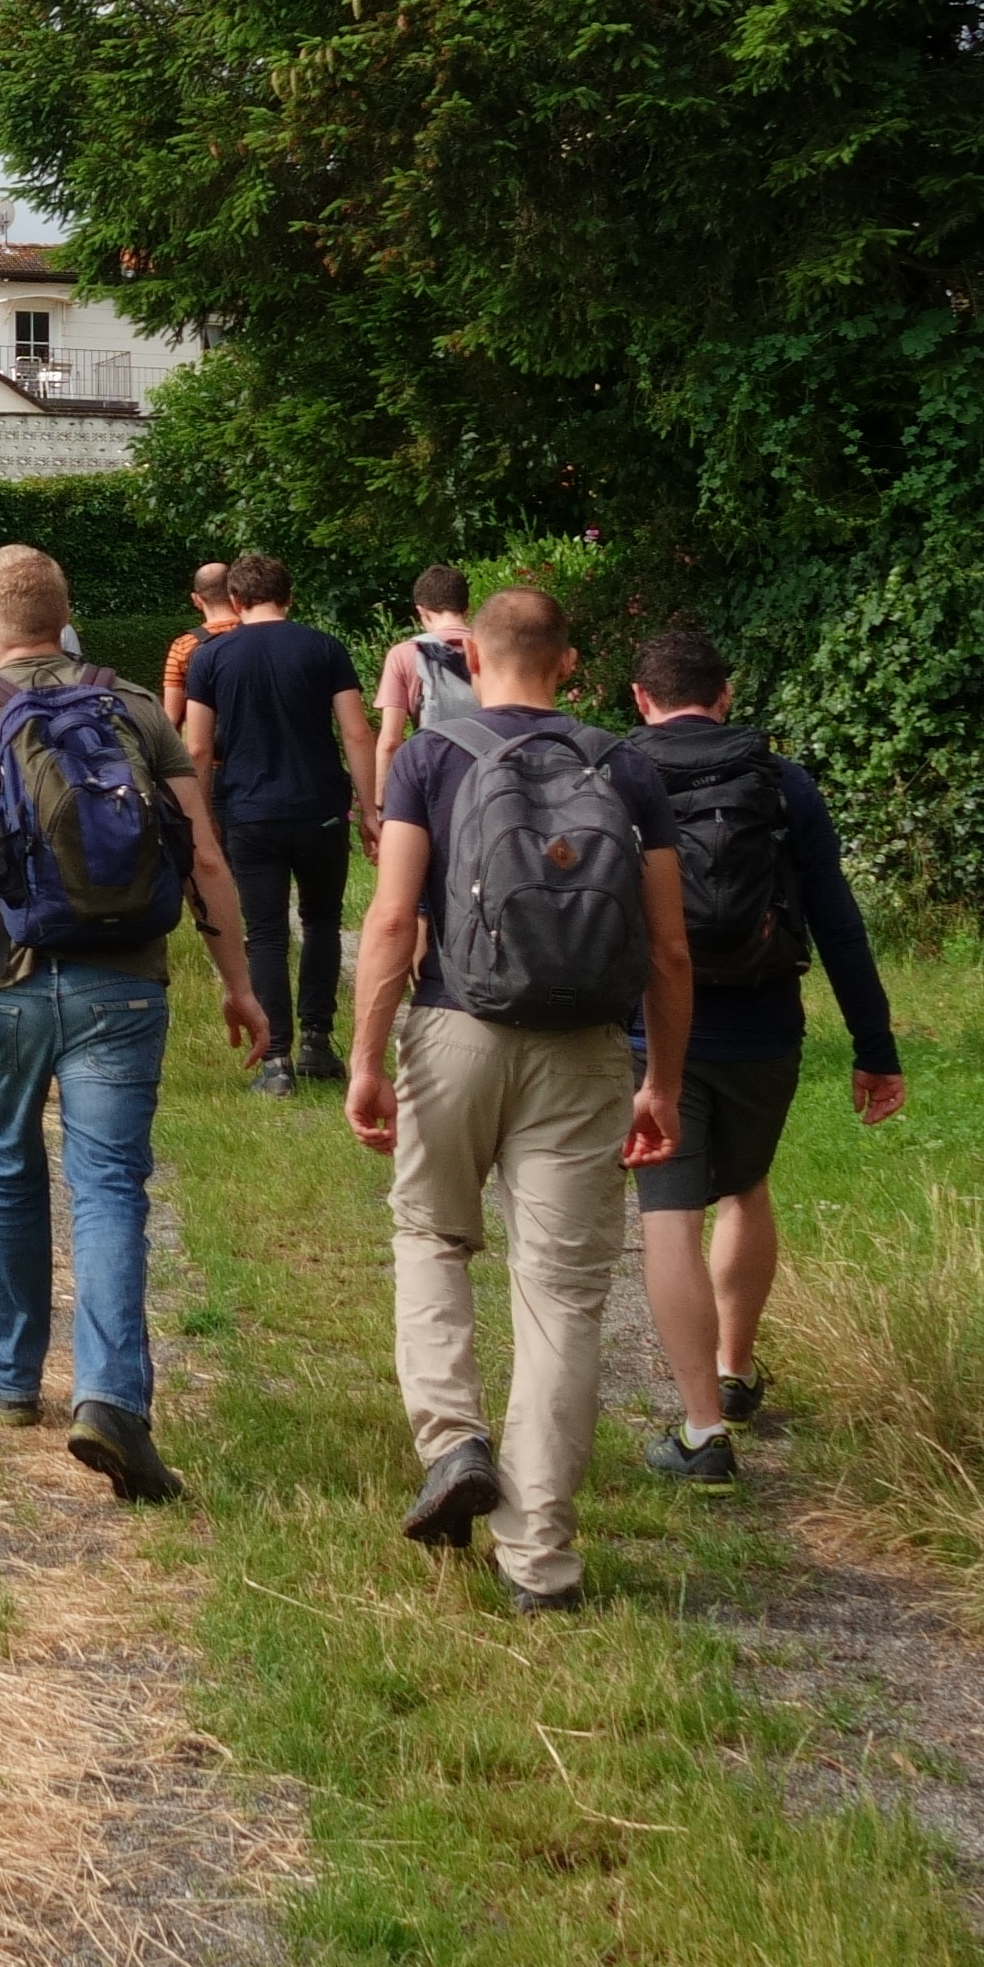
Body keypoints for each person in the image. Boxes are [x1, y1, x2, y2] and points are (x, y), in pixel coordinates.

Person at [0, 544, 272, 1502]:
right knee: (110, 1185)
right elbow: (205, 858)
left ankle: (10, 1381)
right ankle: (111, 1397)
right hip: (123, 984)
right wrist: (237, 980)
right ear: (67, 620)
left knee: (3, 1161)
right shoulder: (139, 713)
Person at [344, 583, 685, 1613]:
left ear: (469, 661)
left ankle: (453, 1445)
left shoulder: (429, 759)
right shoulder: (626, 765)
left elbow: (395, 920)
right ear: (569, 664)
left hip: (453, 1029)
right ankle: (539, 1560)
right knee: (564, 1295)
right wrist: (659, 1079)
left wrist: (366, 1055)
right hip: (582, 1049)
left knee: (431, 1237)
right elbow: (667, 947)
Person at [622, 625, 902, 1487]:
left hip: (652, 1030)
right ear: (726, 694)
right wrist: (875, 1045)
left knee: (670, 1211)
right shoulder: (784, 785)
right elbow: (839, 923)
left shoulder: (618, 773)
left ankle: (703, 1431)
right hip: (766, 1025)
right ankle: (736, 1375)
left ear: (641, 699)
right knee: (745, 1187)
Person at [177, 555, 373, 1095]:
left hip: (249, 809)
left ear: (234, 602)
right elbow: (356, 734)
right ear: (289, 596)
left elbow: (196, 745)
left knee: (263, 933)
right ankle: (317, 1041)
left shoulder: (210, 657)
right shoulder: (324, 648)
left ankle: (276, 1059)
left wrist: (202, 816)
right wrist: (372, 809)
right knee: (322, 923)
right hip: (320, 807)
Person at [366, 564, 485, 808]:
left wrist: (381, 806)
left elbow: (390, 741)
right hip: (489, 780)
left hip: (436, 786)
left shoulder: (405, 654)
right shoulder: (493, 649)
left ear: (422, 611)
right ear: (467, 608)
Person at [159, 564, 235, 741]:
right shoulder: (256, 635)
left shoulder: (183, 646)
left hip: (210, 755)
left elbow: (171, 717)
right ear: (235, 593)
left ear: (196, 599)